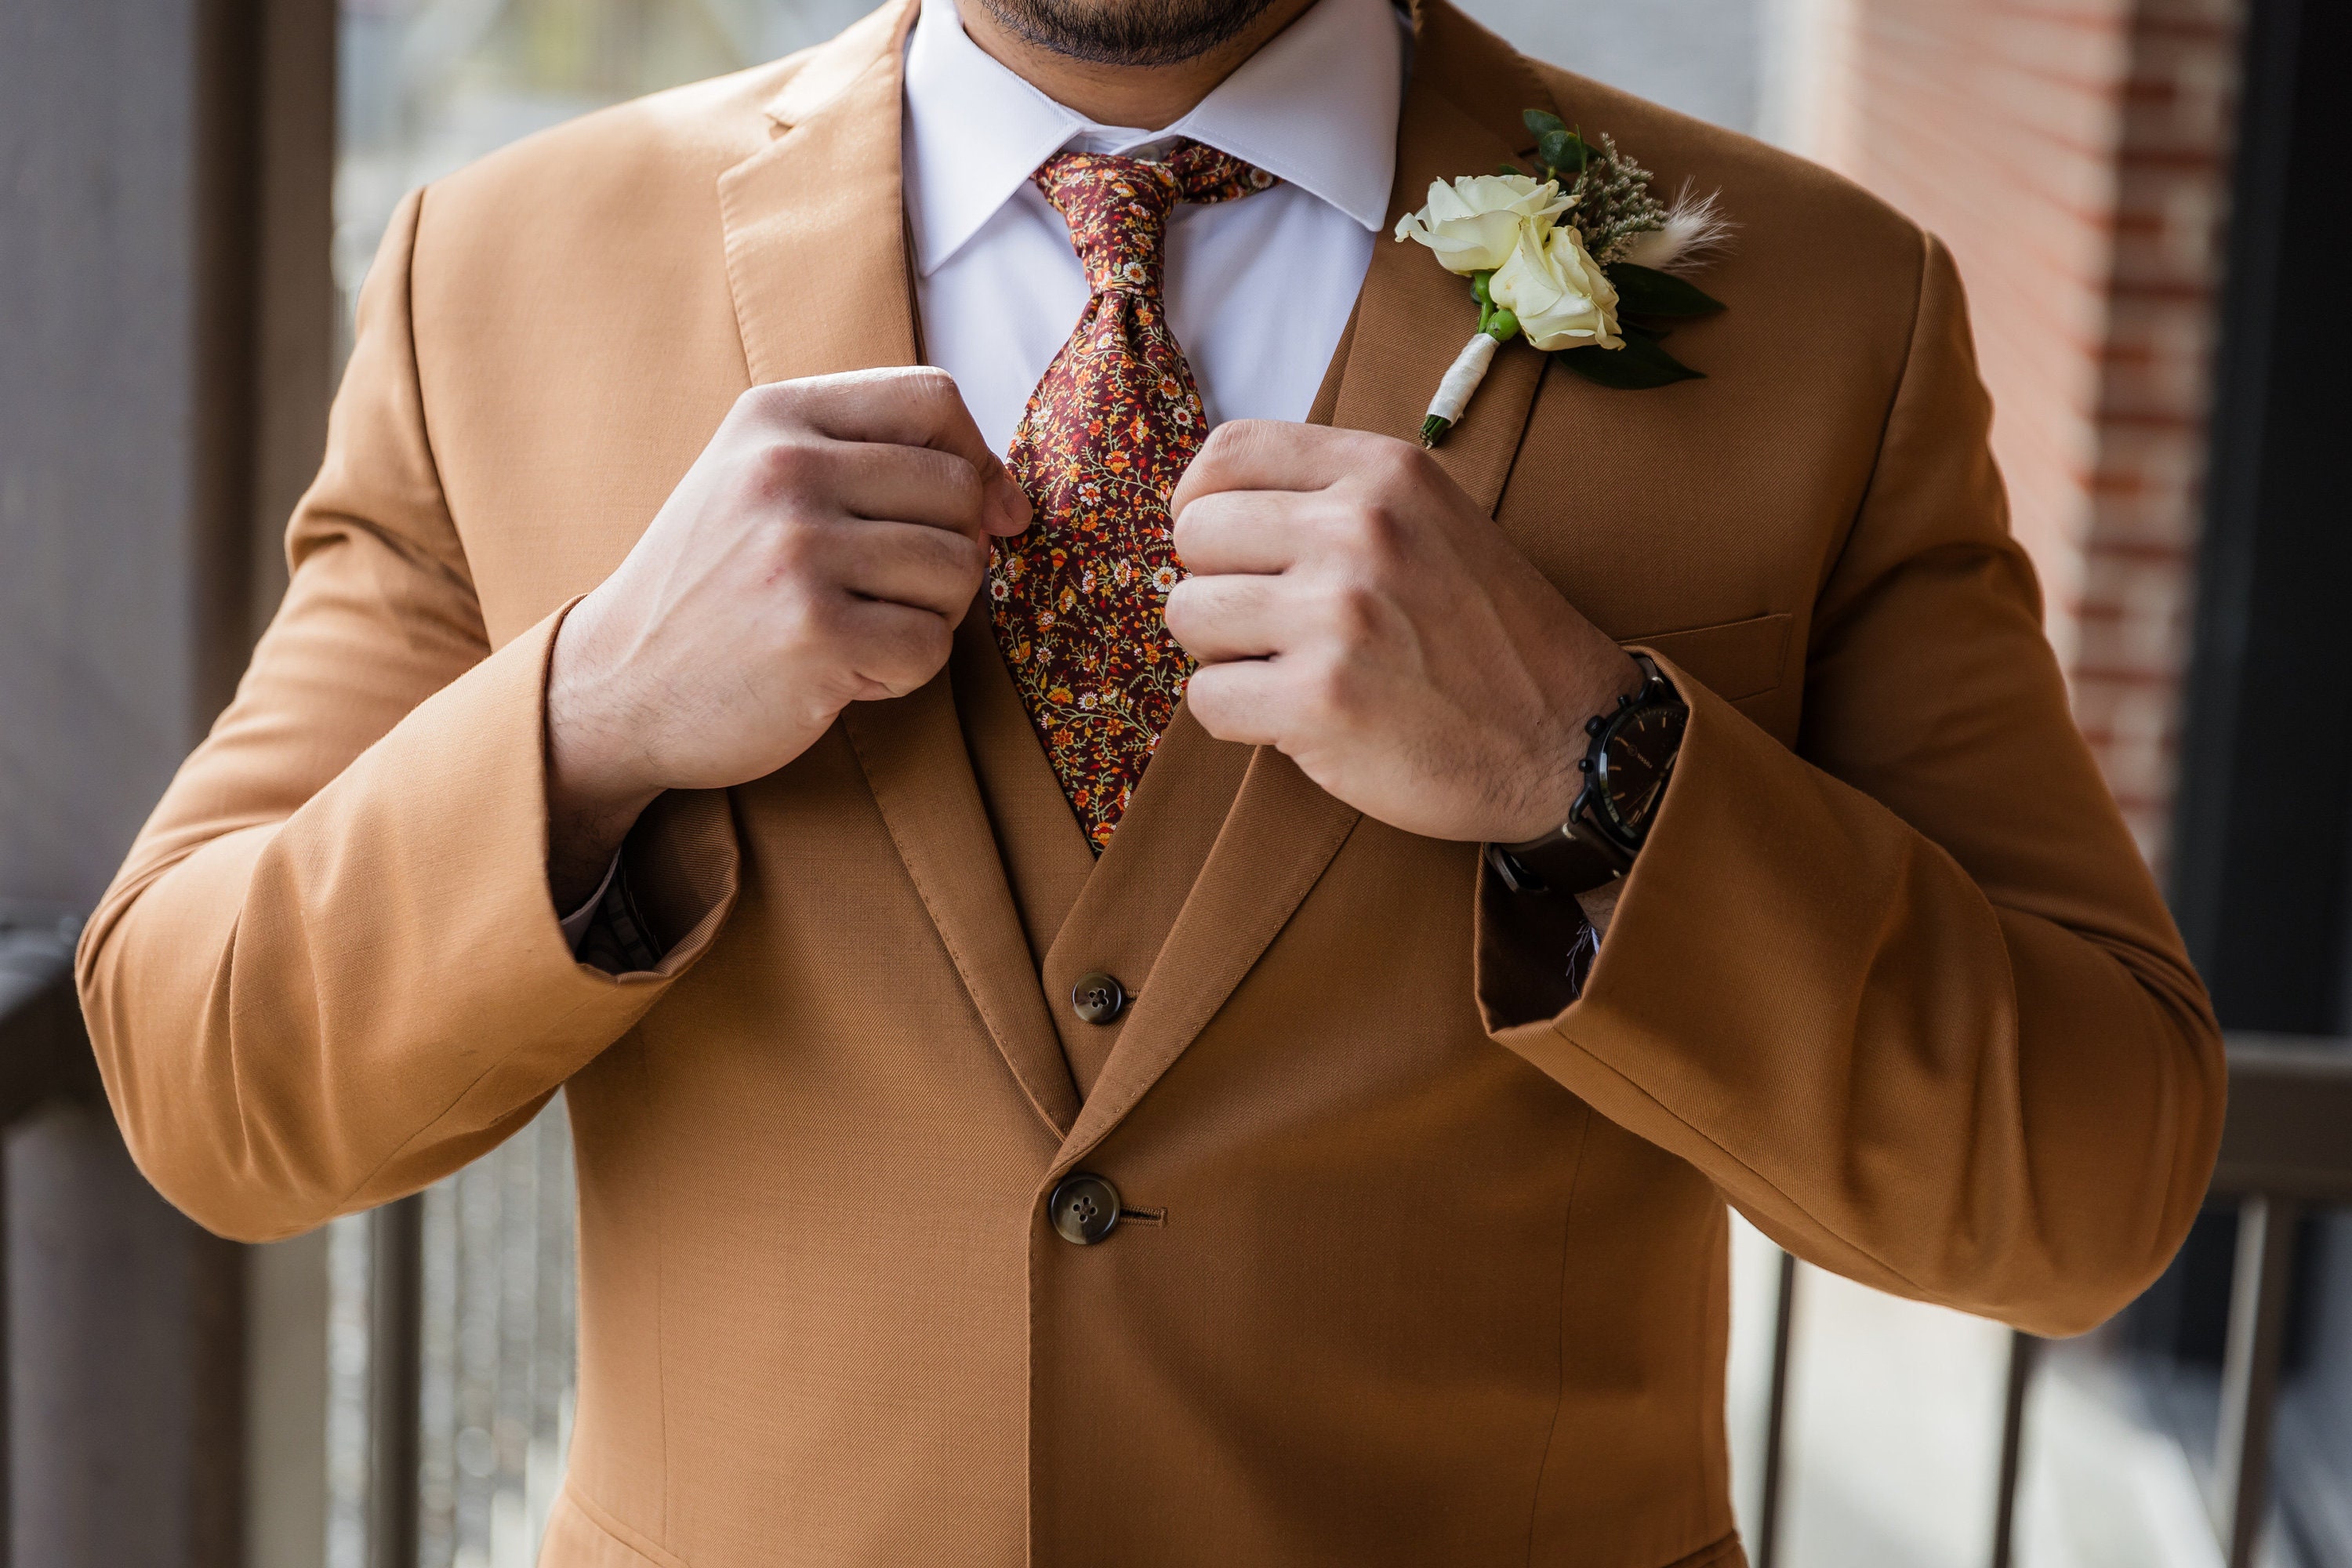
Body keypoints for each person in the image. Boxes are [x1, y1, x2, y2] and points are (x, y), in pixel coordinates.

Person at [78, 0, 2225, 1559]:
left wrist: (1596, 770)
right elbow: (201, 1068)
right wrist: (590, 718)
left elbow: (2090, 1180)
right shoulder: (504, 275)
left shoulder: (1820, 310)